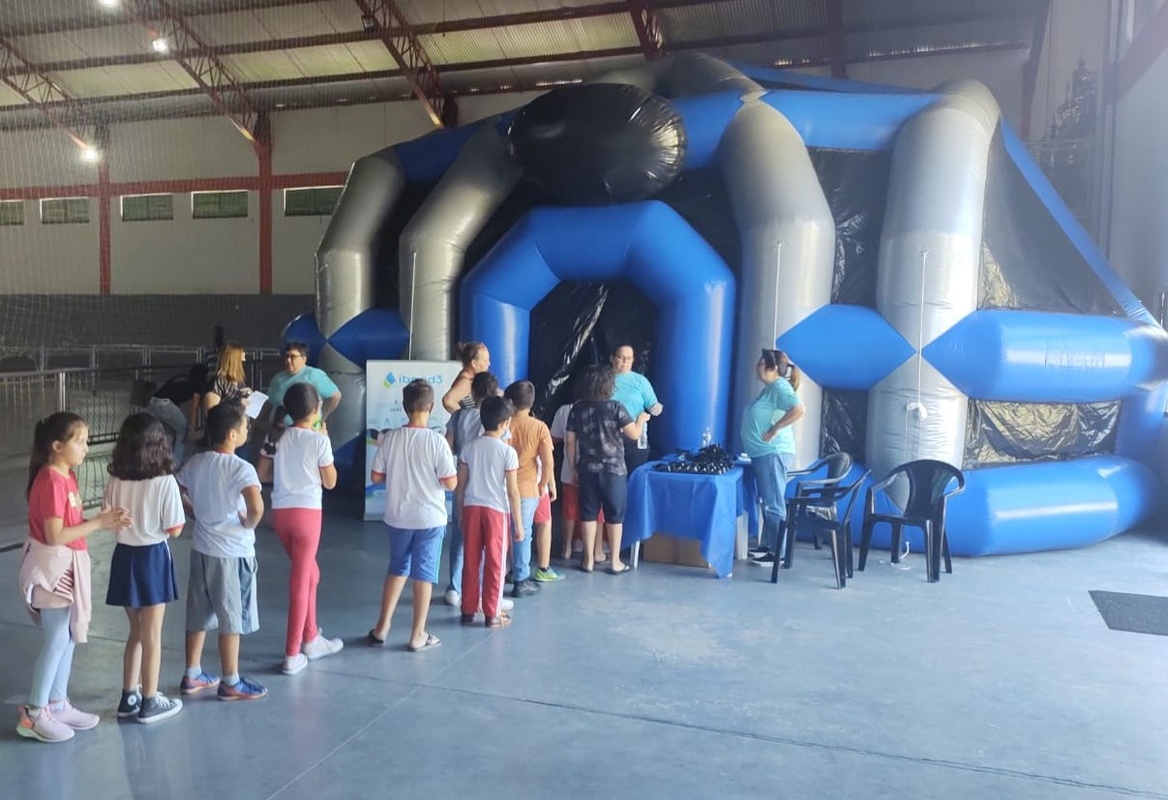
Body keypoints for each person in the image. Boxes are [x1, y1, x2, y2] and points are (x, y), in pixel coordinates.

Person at [17, 412, 132, 742]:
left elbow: (69, 525)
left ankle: (57, 702)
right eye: (79, 441)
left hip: (65, 567)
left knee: (66, 637)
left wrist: (98, 521)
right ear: (57, 446)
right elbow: (55, 535)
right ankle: (34, 712)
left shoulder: (65, 476)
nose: (85, 447)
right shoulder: (52, 481)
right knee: (56, 639)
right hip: (52, 569)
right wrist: (99, 523)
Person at [177, 403, 268, 701]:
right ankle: (231, 680)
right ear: (231, 434)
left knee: (198, 613)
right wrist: (248, 523)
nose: (247, 431)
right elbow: (256, 507)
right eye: (244, 427)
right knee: (231, 617)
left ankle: (192, 673)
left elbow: (178, 488)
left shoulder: (196, 462)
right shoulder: (241, 468)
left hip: (202, 549)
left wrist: (193, 511)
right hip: (232, 552)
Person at [104, 412, 186, 724]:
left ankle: (129, 696)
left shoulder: (116, 480)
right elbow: (175, 528)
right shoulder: (165, 481)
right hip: (152, 557)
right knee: (152, 634)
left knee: (136, 631)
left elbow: (108, 517)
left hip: (124, 556)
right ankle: (150, 700)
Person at [257, 383, 342, 674]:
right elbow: (331, 482)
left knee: (310, 575)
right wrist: (324, 441)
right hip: (308, 515)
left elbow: (261, 474)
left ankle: (311, 636)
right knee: (300, 581)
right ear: (316, 410)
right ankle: (293, 652)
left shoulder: (277, 436)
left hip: (281, 514)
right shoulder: (319, 441)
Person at [366, 380, 456, 652]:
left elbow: (376, 476)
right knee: (424, 575)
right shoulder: (437, 441)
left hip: (398, 517)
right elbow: (450, 483)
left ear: (404, 407)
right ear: (431, 406)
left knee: (397, 568)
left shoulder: (391, 438)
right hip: (429, 519)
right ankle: (418, 634)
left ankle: (381, 628)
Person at [443, 372, 517, 614]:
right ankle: (490, 596)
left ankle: (455, 588)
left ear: (472, 391)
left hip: (465, 487)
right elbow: (505, 450)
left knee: (461, 539)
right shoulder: (500, 421)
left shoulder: (458, 415)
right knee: (492, 549)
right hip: (493, 493)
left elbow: (448, 446)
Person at [566, 365, 649, 574]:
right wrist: (640, 420)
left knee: (588, 514)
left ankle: (587, 561)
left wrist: (573, 468)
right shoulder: (616, 407)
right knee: (615, 516)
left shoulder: (577, 408)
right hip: (614, 471)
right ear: (608, 385)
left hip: (587, 469)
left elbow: (570, 442)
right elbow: (634, 434)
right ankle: (615, 561)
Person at [457, 396, 525, 628]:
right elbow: (513, 492)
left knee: (471, 560)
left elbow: (460, 485)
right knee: (496, 562)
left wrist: (460, 513)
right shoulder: (508, 452)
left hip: (471, 508)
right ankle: (492, 614)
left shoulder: (469, 448)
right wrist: (518, 523)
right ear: (505, 423)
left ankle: (468, 610)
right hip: (496, 511)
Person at [742, 348, 805, 568]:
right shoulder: (769, 389)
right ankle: (769, 545)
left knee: (774, 503)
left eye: (760, 363)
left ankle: (778, 553)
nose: (756, 366)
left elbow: (799, 409)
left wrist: (776, 427)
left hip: (772, 453)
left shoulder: (780, 386)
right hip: (763, 454)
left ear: (772, 367)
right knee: (768, 502)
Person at [503, 380, 562, 592]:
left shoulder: (503, 424)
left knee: (508, 532)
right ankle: (521, 578)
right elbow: (548, 462)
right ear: (531, 402)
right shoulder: (539, 427)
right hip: (528, 488)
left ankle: (509, 571)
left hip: (503, 487)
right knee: (523, 533)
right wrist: (544, 484)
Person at [610, 345, 663, 474]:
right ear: (612, 358)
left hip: (636, 436)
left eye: (629, 358)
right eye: (621, 357)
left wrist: (656, 409)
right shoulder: (603, 379)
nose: (625, 362)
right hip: (609, 436)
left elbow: (654, 406)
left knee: (635, 475)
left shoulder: (640, 381)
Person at [264, 341, 342, 424]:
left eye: (293, 357)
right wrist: (259, 421)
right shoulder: (278, 378)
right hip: (278, 428)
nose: (288, 360)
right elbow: (269, 403)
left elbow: (335, 396)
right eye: (286, 356)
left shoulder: (314, 375)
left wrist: (322, 418)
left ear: (304, 359)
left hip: (308, 428)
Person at [441, 341, 491, 413]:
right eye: (485, 361)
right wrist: (466, 416)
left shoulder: (472, 379)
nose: (489, 364)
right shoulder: (466, 382)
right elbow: (447, 401)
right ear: (474, 363)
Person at [202, 343, 252, 413]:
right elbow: (212, 413)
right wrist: (238, 403)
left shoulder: (240, 382)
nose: (243, 365)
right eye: (241, 361)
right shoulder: (218, 383)